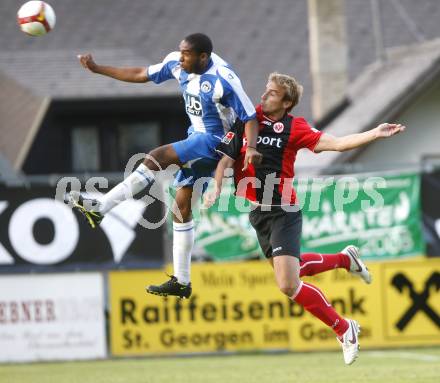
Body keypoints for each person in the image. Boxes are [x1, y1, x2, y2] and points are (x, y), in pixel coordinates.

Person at [205, 72, 405, 365]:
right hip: (257, 211)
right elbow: (225, 156)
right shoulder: (250, 117)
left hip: (284, 209)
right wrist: (216, 185)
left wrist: (374, 133)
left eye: (272, 93)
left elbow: (336, 144)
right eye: (265, 90)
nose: (263, 96)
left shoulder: (294, 127)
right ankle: (345, 260)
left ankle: (344, 328)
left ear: (286, 102)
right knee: (291, 272)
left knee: (287, 284)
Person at [67, 33, 262, 298]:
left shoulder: (223, 79)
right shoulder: (176, 64)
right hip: (196, 136)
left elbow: (250, 116)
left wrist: (249, 147)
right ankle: (182, 281)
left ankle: (102, 206)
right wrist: (98, 68)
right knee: (181, 208)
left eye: (186, 54)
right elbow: (140, 73)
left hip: (215, 141)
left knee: (156, 156)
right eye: (180, 52)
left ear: (203, 57)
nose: (180, 58)